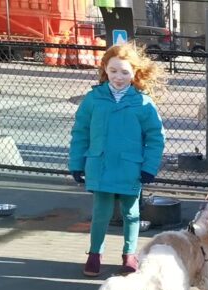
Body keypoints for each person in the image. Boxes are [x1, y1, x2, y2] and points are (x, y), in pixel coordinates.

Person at [68, 43, 166, 277]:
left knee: (131, 214)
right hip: (100, 165)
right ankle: (94, 254)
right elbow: (80, 132)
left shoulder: (143, 103)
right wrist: (76, 163)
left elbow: (155, 137)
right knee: (101, 212)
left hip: (130, 168)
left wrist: (149, 167)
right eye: (113, 71)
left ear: (134, 72)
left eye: (124, 72)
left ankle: (129, 255)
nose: (118, 77)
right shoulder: (93, 99)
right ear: (104, 70)